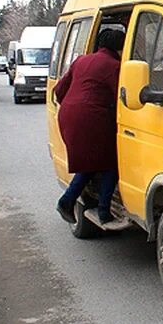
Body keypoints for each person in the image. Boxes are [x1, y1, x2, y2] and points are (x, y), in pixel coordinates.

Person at [54, 28, 126, 228]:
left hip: (68, 114)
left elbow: (59, 90)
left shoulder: (81, 61)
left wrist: (73, 106)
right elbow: (122, 99)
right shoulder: (114, 66)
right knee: (110, 163)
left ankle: (67, 202)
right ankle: (103, 212)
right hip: (92, 117)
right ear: (120, 48)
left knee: (91, 162)